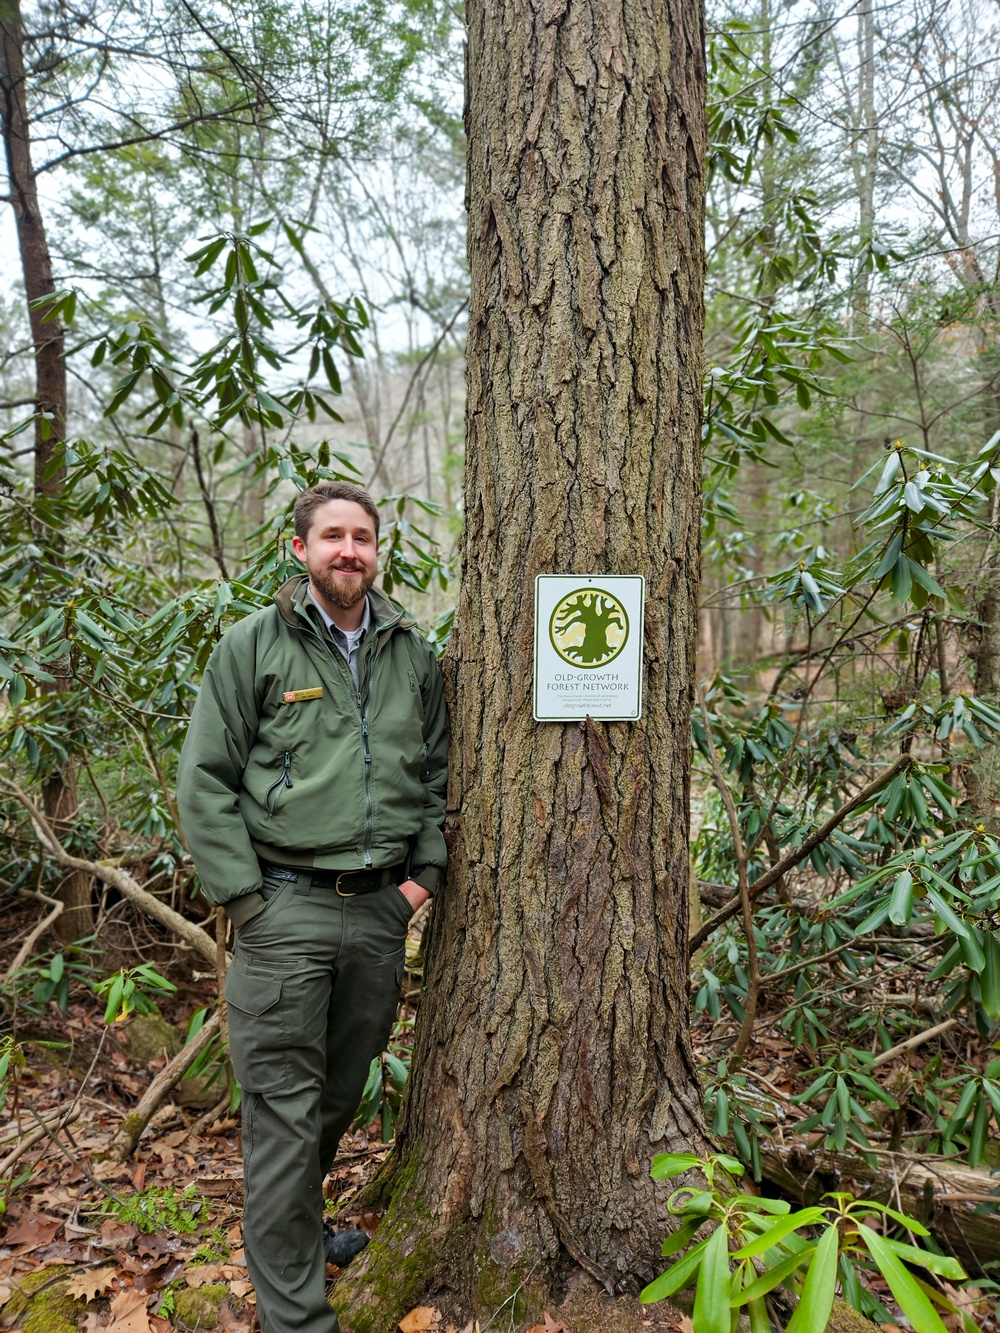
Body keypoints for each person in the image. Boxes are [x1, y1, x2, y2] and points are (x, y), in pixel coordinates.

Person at [176, 480, 448, 1333]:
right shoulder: (254, 647)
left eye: (362, 537)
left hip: (378, 912)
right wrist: (247, 904)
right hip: (283, 910)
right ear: (300, 549)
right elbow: (206, 782)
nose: (348, 551)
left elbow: (436, 772)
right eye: (332, 536)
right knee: (285, 1113)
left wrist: (421, 878)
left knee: (335, 1097)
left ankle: (299, 1231)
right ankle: (298, 1317)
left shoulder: (411, 652)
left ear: (377, 550)